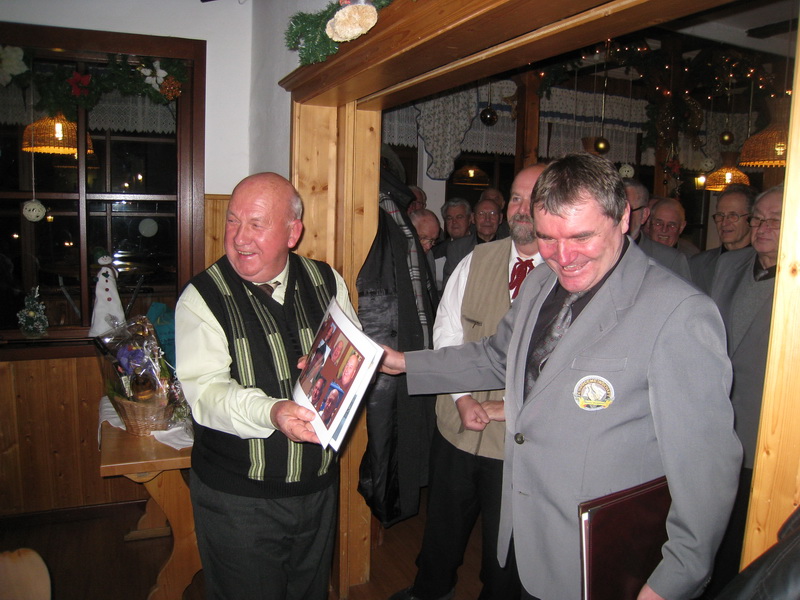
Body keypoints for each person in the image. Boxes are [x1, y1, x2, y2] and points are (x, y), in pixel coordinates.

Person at [381, 153, 742, 600]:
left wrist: (671, 582)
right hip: (523, 532)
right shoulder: (540, 282)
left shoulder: (680, 314)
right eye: (548, 238)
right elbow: (497, 357)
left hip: (600, 559)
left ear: (623, 218)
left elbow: (708, 471)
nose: (563, 257)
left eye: (581, 237)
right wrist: (404, 362)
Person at [175, 172, 359, 600]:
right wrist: (273, 411)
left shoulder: (327, 281)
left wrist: (345, 368)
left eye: (256, 224)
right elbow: (207, 395)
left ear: (293, 233)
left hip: (317, 488)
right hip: (238, 499)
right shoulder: (202, 297)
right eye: (232, 221)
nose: (239, 238)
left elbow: (350, 355)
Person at [388, 164, 545, 600]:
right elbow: (447, 331)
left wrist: (506, 409)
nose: (522, 209)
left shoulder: (566, 275)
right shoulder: (477, 260)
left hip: (518, 441)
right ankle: (430, 590)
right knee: (443, 523)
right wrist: (460, 397)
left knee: (504, 543)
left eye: (534, 199)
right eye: (516, 198)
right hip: (457, 424)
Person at [704, 185, 783, 597]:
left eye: (775, 220)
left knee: (746, 547)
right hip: (713, 429)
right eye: (759, 219)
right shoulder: (730, 265)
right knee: (707, 536)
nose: (762, 227)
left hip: (766, 438)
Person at [689, 184, 756, 294]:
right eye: (720, 215)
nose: (724, 223)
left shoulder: (761, 264)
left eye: (733, 216)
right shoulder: (697, 263)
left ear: (751, 219)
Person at [622, 179, 691, 280]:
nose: (620, 215)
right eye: (615, 209)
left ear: (644, 215)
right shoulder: (599, 250)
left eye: (628, 210)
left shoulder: (670, 260)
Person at [441, 198, 508, 289]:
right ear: (473, 218)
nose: (487, 219)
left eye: (492, 213)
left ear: (500, 218)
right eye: (481, 214)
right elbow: (450, 286)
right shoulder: (457, 248)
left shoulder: (510, 247)